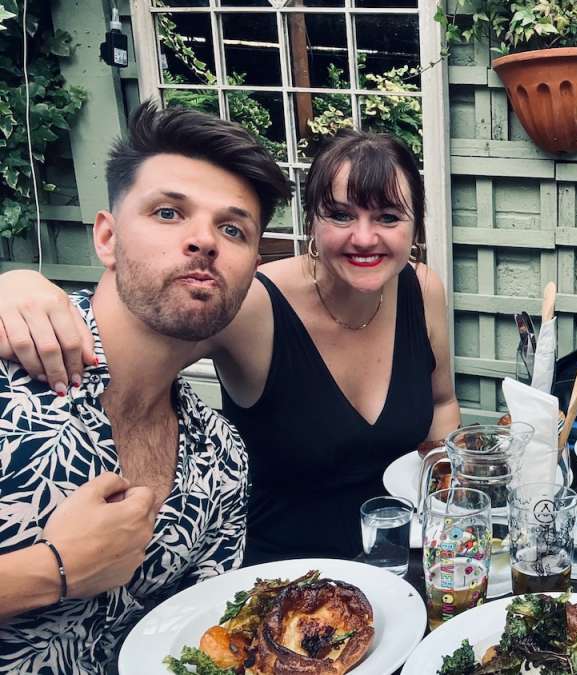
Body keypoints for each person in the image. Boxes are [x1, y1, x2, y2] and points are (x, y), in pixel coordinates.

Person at [0, 128, 460, 564]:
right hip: (280, 581)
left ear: (415, 227)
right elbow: (135, 330)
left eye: (388, 217)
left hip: (405, 561)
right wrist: (19, 287)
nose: (364, 237)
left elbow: (441, 401)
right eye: (340, 215)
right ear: (312, 226)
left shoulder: (421, 289)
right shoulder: (249, 303)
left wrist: (446, 500)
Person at [0, 102, 291, 673]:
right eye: (167, 213)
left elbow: (207, 646)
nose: (204, 241)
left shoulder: (222, 460)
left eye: (232, 229)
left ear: (252, 267)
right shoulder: (9, 382)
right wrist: (54, 570)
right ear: (106, 237)